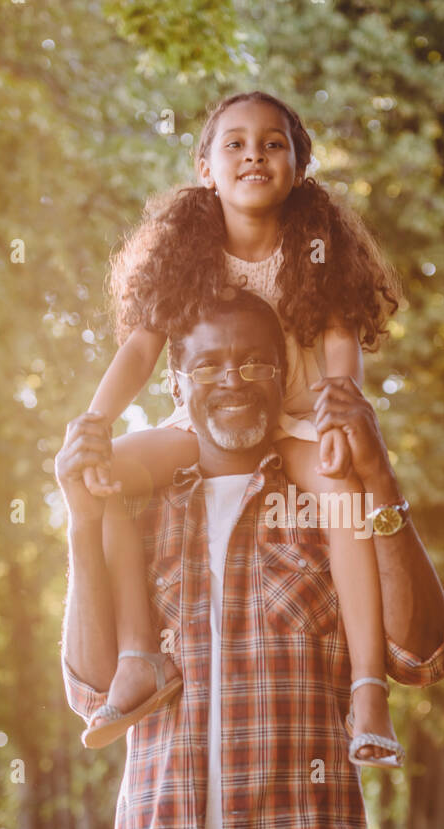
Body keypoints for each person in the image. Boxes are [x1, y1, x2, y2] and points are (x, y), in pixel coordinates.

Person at [56, 289, 444, 829]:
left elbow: (421, 650)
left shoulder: (329, 484)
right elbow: (91, 687)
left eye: (253, 361)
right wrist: (83, 519)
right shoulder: (137, 497)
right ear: (177, 379)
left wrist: (381, 479)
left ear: (287, 376)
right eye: (207, 364)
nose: (231, 380)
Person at [80, 89, 405, 766]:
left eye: (272, 143)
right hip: (204, 422)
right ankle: (141, 658)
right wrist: (96, 422)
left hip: (292, 417)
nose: (253, 154)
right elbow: (141, 350)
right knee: (102, 477)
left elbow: (340, 342)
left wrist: (340, 412)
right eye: (234, 143)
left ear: (297, 165)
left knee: (345, 492)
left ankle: (368, 688)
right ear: (205, 167)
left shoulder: (313, 248)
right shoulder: (186, 254)